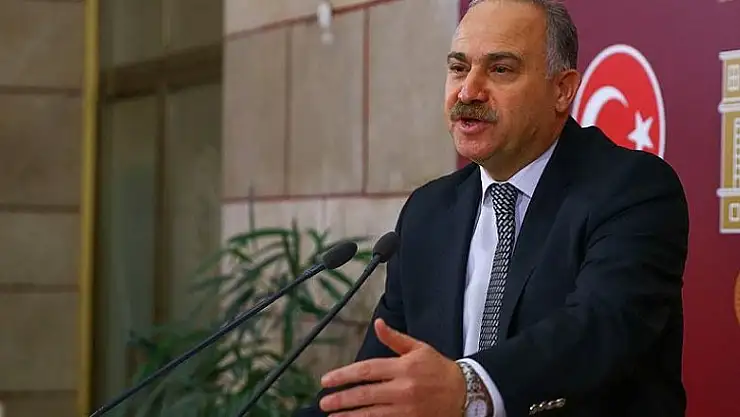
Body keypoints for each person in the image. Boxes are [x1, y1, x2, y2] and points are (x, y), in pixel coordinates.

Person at [295, 0, 689, 416]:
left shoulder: (632, 190)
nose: (468, 92)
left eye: (500, 69)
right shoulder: (428, 212)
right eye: (458, 68)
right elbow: (378, 388)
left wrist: (468, 388)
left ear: (562, 90)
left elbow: (598, 328)